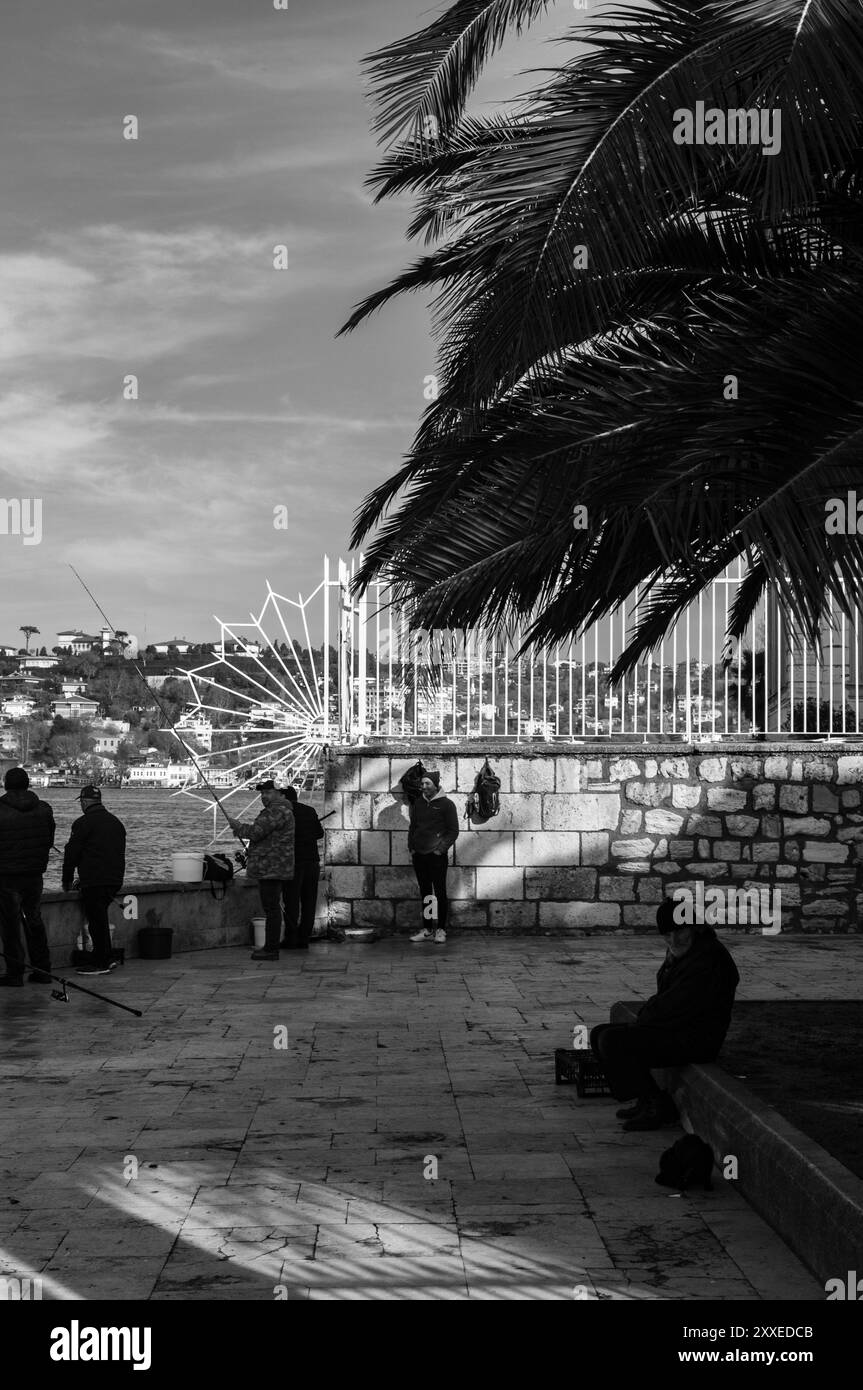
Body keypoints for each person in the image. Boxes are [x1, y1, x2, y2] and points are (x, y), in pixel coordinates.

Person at [590, 898, 740, 1131]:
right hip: (677, 1028)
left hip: (696, 1039)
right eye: (667, 935)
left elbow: (676, 1003)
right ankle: (645, 1097)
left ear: (693, 927)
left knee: (613, 1041)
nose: (673, 940)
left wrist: (644, 1020)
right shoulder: (686, 953)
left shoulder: (708, 959)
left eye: (679, 932)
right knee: (600, 1033)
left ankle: (658, 1107)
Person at [62, 786, 126, 977]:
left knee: (96, 921)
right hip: (114, 879)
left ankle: (101, 962)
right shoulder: (116, 823)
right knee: (101, 918)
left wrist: (67, 880)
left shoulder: (83, 823)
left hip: (95, 880)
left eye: (81, 801)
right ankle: (107, 957)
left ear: (84, 801)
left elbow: (71, 853)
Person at [0, 767, 55, 986]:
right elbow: (48, 839)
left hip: (6, 876)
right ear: (27, 784)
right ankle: (43, 969)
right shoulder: (43, 809)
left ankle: (15, 973)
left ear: (5, 784)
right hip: (34, 874)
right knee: (34, 920)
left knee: (10, 925)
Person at [228, 781, 294, 961]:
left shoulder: (276, 810)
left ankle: (271, 949)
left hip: (271, 867)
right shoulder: (283, 810)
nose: (264, 796)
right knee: (272, 907)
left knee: (271, 908)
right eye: (262, 793)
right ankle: (270, 947)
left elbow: (256, 832)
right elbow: (267, 837)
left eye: (269, 793)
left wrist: (237, 826)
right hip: (274, 866)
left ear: (280, 794)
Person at [408, 770, 459, 944]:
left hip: (436, 856)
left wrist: (440, 850)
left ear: (435, 785)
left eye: (427, 783)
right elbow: (413, 827)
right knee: (425, 892)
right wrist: (412, 847)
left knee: (440, 892)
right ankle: (428, 929)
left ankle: (441, 929)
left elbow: (453, 831)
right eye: (422, 784)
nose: (424, 787)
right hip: (419, 854)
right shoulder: (418, 803)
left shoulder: (447, 804)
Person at [280, 786, 323, 950]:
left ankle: (291, 938)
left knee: (291, 901)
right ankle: (304, 938)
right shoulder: (310, 810)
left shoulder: (284, 813)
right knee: (309, 901)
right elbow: (319, 834)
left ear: (284, 797)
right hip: (312, 862)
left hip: (294, 862)